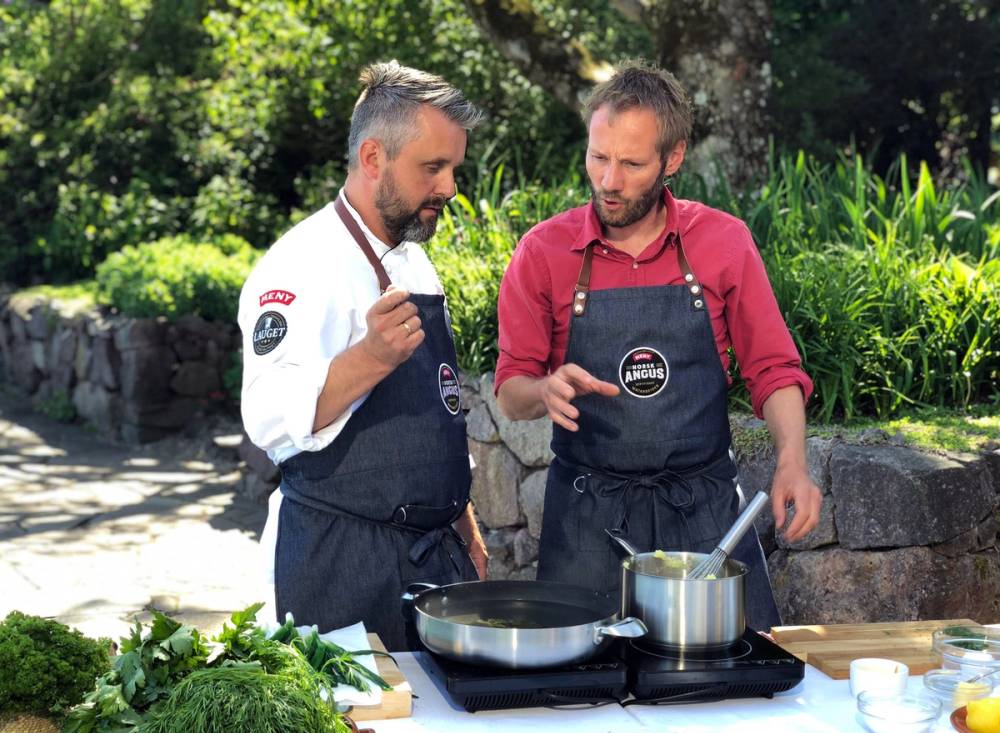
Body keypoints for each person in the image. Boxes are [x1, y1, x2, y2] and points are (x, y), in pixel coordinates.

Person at [493, 61, 822, 630]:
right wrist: (543, 390)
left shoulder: (723, 242)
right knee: (582, 681)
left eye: (631, 163)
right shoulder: (542, 252)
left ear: (673, 159)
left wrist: (793, 460)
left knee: (732, 674)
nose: (609, 181)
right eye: (598, 157)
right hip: (587, 521)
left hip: (703, 513)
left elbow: (772, 368)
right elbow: (510, 392)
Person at [238, 61, 488, 651]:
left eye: (453, 168)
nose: (450, 188)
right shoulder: (299, 265)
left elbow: (438, 410)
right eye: (433, 167)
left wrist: (465, 527)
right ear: (374, 158)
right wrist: (372, 357)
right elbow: (267, 415)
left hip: (433, 560)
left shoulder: (413, 260)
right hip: (339, 566)